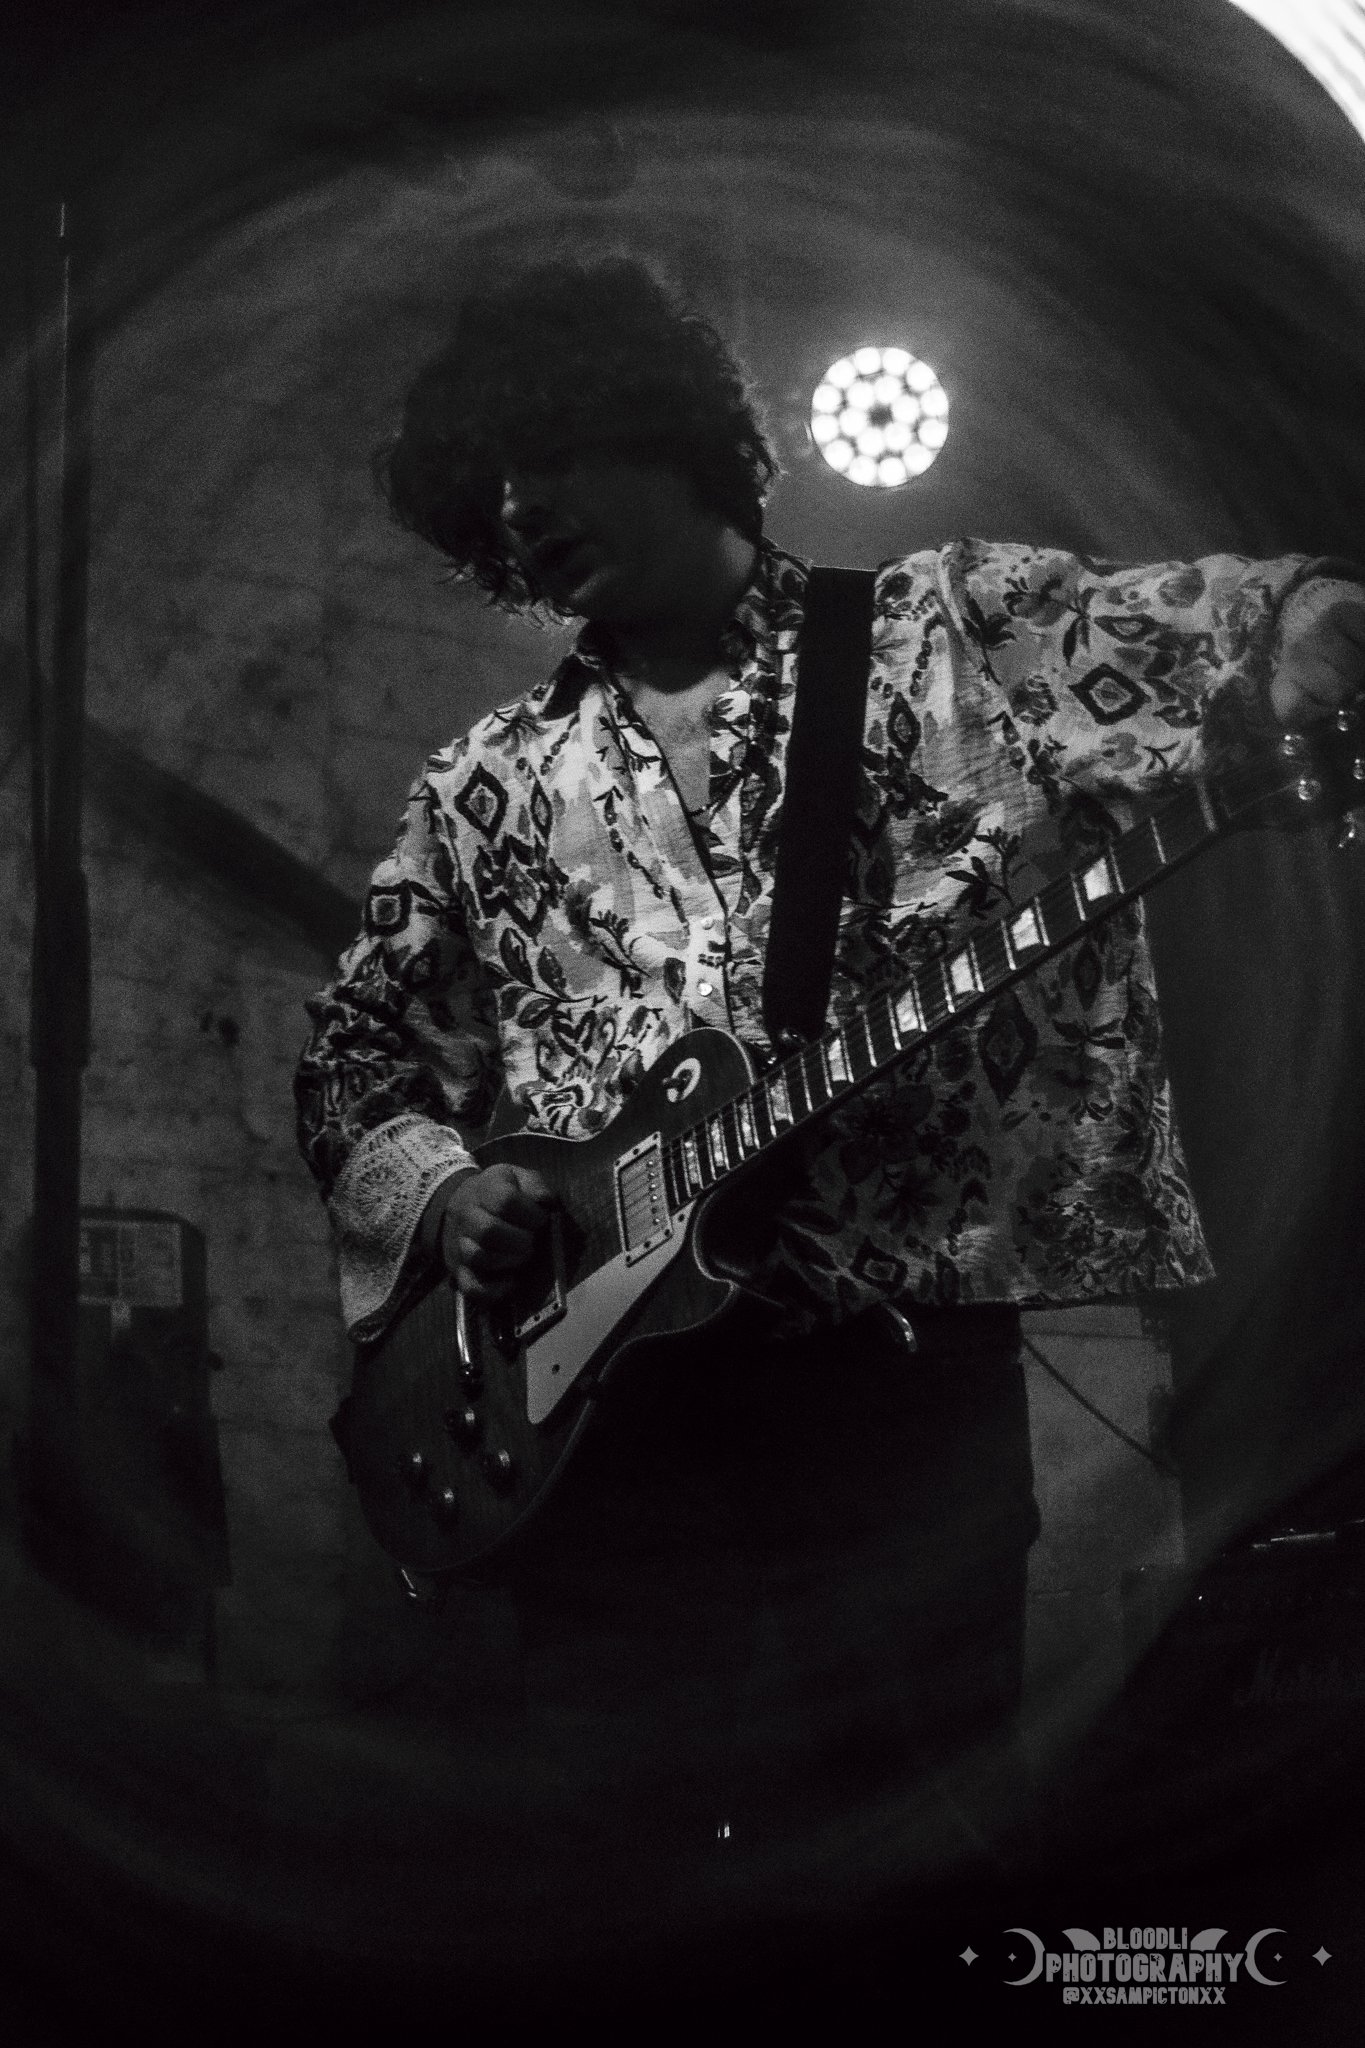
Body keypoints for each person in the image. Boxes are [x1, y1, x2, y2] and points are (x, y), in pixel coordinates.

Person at [294, 255, 1364, 1872]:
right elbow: (351, 1058)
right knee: (616, 1869)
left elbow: (1253, 622)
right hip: (599, 1423)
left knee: (900, 1843)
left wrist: (1316, 645)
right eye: (484, 493)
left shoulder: (947, 634)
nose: (516, 509)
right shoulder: (484, 786)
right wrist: (445, 1197)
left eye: (548, 453)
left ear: (656, 426)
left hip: (896, 1379)